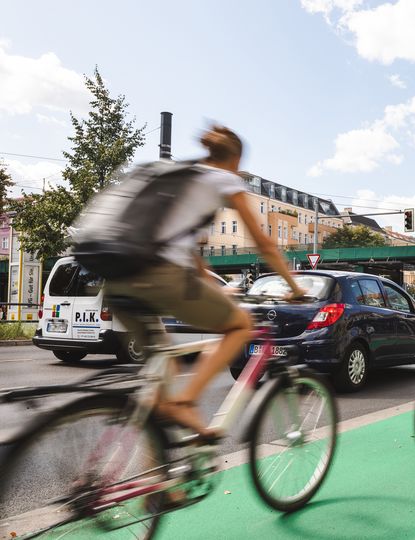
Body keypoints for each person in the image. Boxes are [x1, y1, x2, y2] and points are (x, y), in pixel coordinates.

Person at [103, 125, 304, 436]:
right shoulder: (222, 178)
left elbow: (194, 258)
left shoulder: (181, 179)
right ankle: (185, 403)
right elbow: (264, 243)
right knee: (240, 326)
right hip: (158, 275)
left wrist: (216, 288)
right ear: (235, 159)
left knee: (163, 376)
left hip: (117, 275)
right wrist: (294, 286)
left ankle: (164, 475)